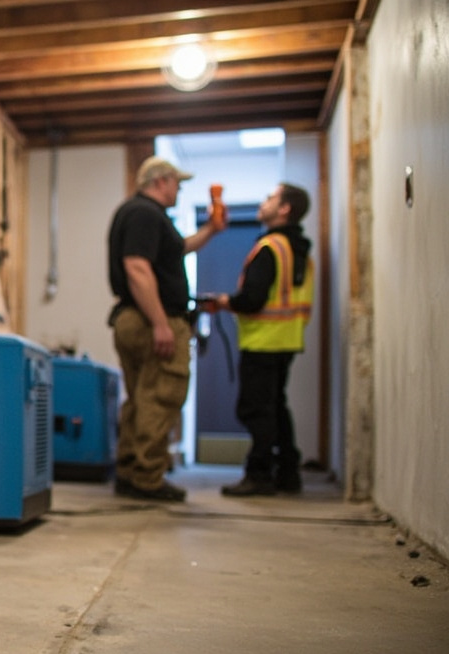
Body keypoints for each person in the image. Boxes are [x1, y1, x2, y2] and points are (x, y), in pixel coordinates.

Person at [107, 156, 227, 502]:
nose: (179, 190)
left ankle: (131, 473)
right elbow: (137, 268)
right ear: (160, 181)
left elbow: (178, 249)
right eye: (177, 183)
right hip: (150, 319)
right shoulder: (145, 214)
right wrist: (161, 323)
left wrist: (211, 231)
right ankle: (147, 479)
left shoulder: (144, 215)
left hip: (133, 317)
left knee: (141, 399)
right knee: (160, 398)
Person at [202, 183, 314, 496]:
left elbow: (252, 299)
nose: (263, 202)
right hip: (287, 340)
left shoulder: (271, 247)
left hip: (263, 341)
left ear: (284, 209)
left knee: (256, 410)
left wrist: (225, 301)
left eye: (270, 198)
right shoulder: (298, 247)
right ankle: (288, 473)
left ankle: (260, 474)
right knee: (276, 407)